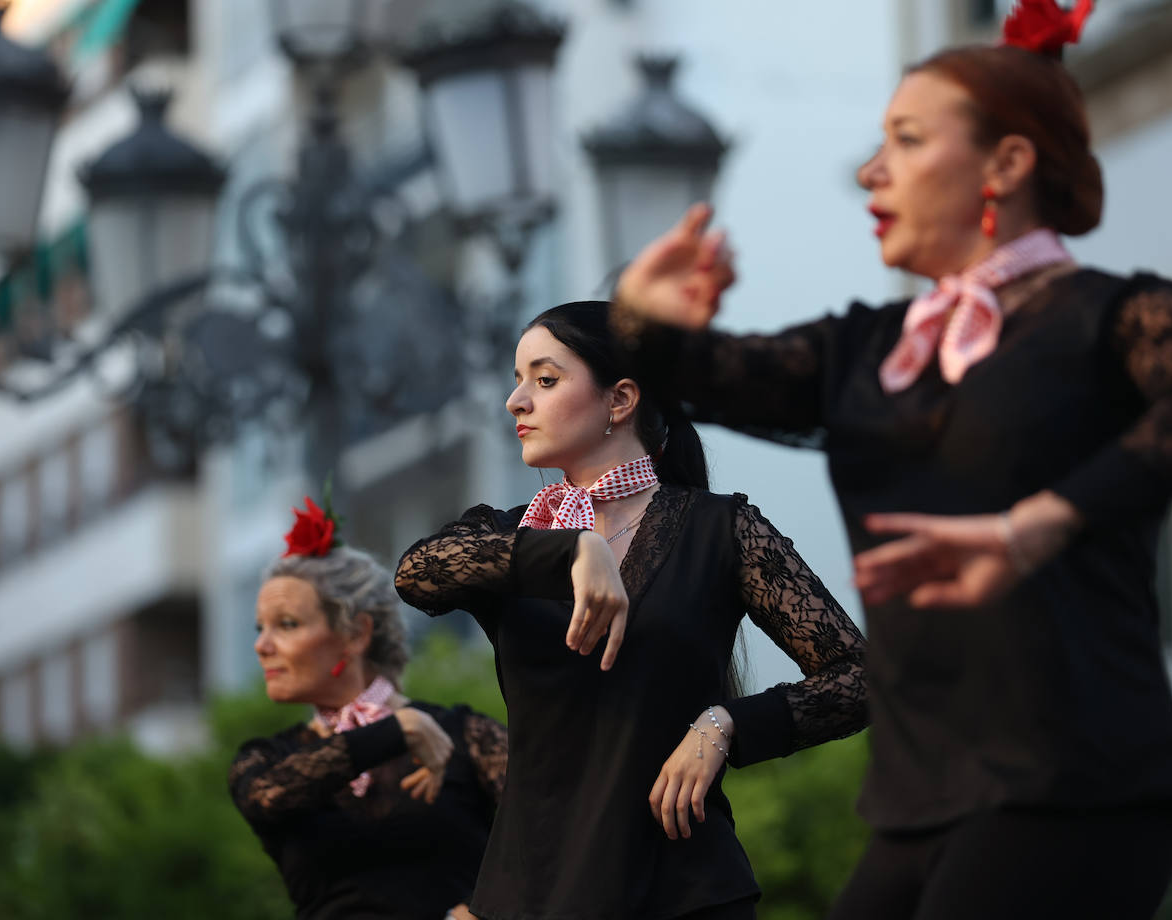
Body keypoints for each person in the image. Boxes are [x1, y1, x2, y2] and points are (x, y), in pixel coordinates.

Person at [608, 3, 1172, 918]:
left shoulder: (1114, 316)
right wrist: (644, 312)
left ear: (1006, 164)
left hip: (1075, 783)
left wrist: (1039, 525)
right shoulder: (867, 348)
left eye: (907, 140)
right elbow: (697, 373)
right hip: (917, 801)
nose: (871, 171)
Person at [395, 300, 868, 920]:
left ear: (619, 400)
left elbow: (860, 679)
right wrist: (570, 549)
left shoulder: (721, 530)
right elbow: (416, 572)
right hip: (531, 897)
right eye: (518, 381)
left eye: (545, 379)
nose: (516, 401)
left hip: (687, 892)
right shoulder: (507, 538)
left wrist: (725, 724)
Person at [229, 497, 507, 920]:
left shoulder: (467, 736)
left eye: (286, 624)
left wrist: (490, 911)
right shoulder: (270, 761)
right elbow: (266, 798)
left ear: (356, 634)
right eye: (259, 628)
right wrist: (398, 729)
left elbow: (548, 834)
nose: (261, 646)